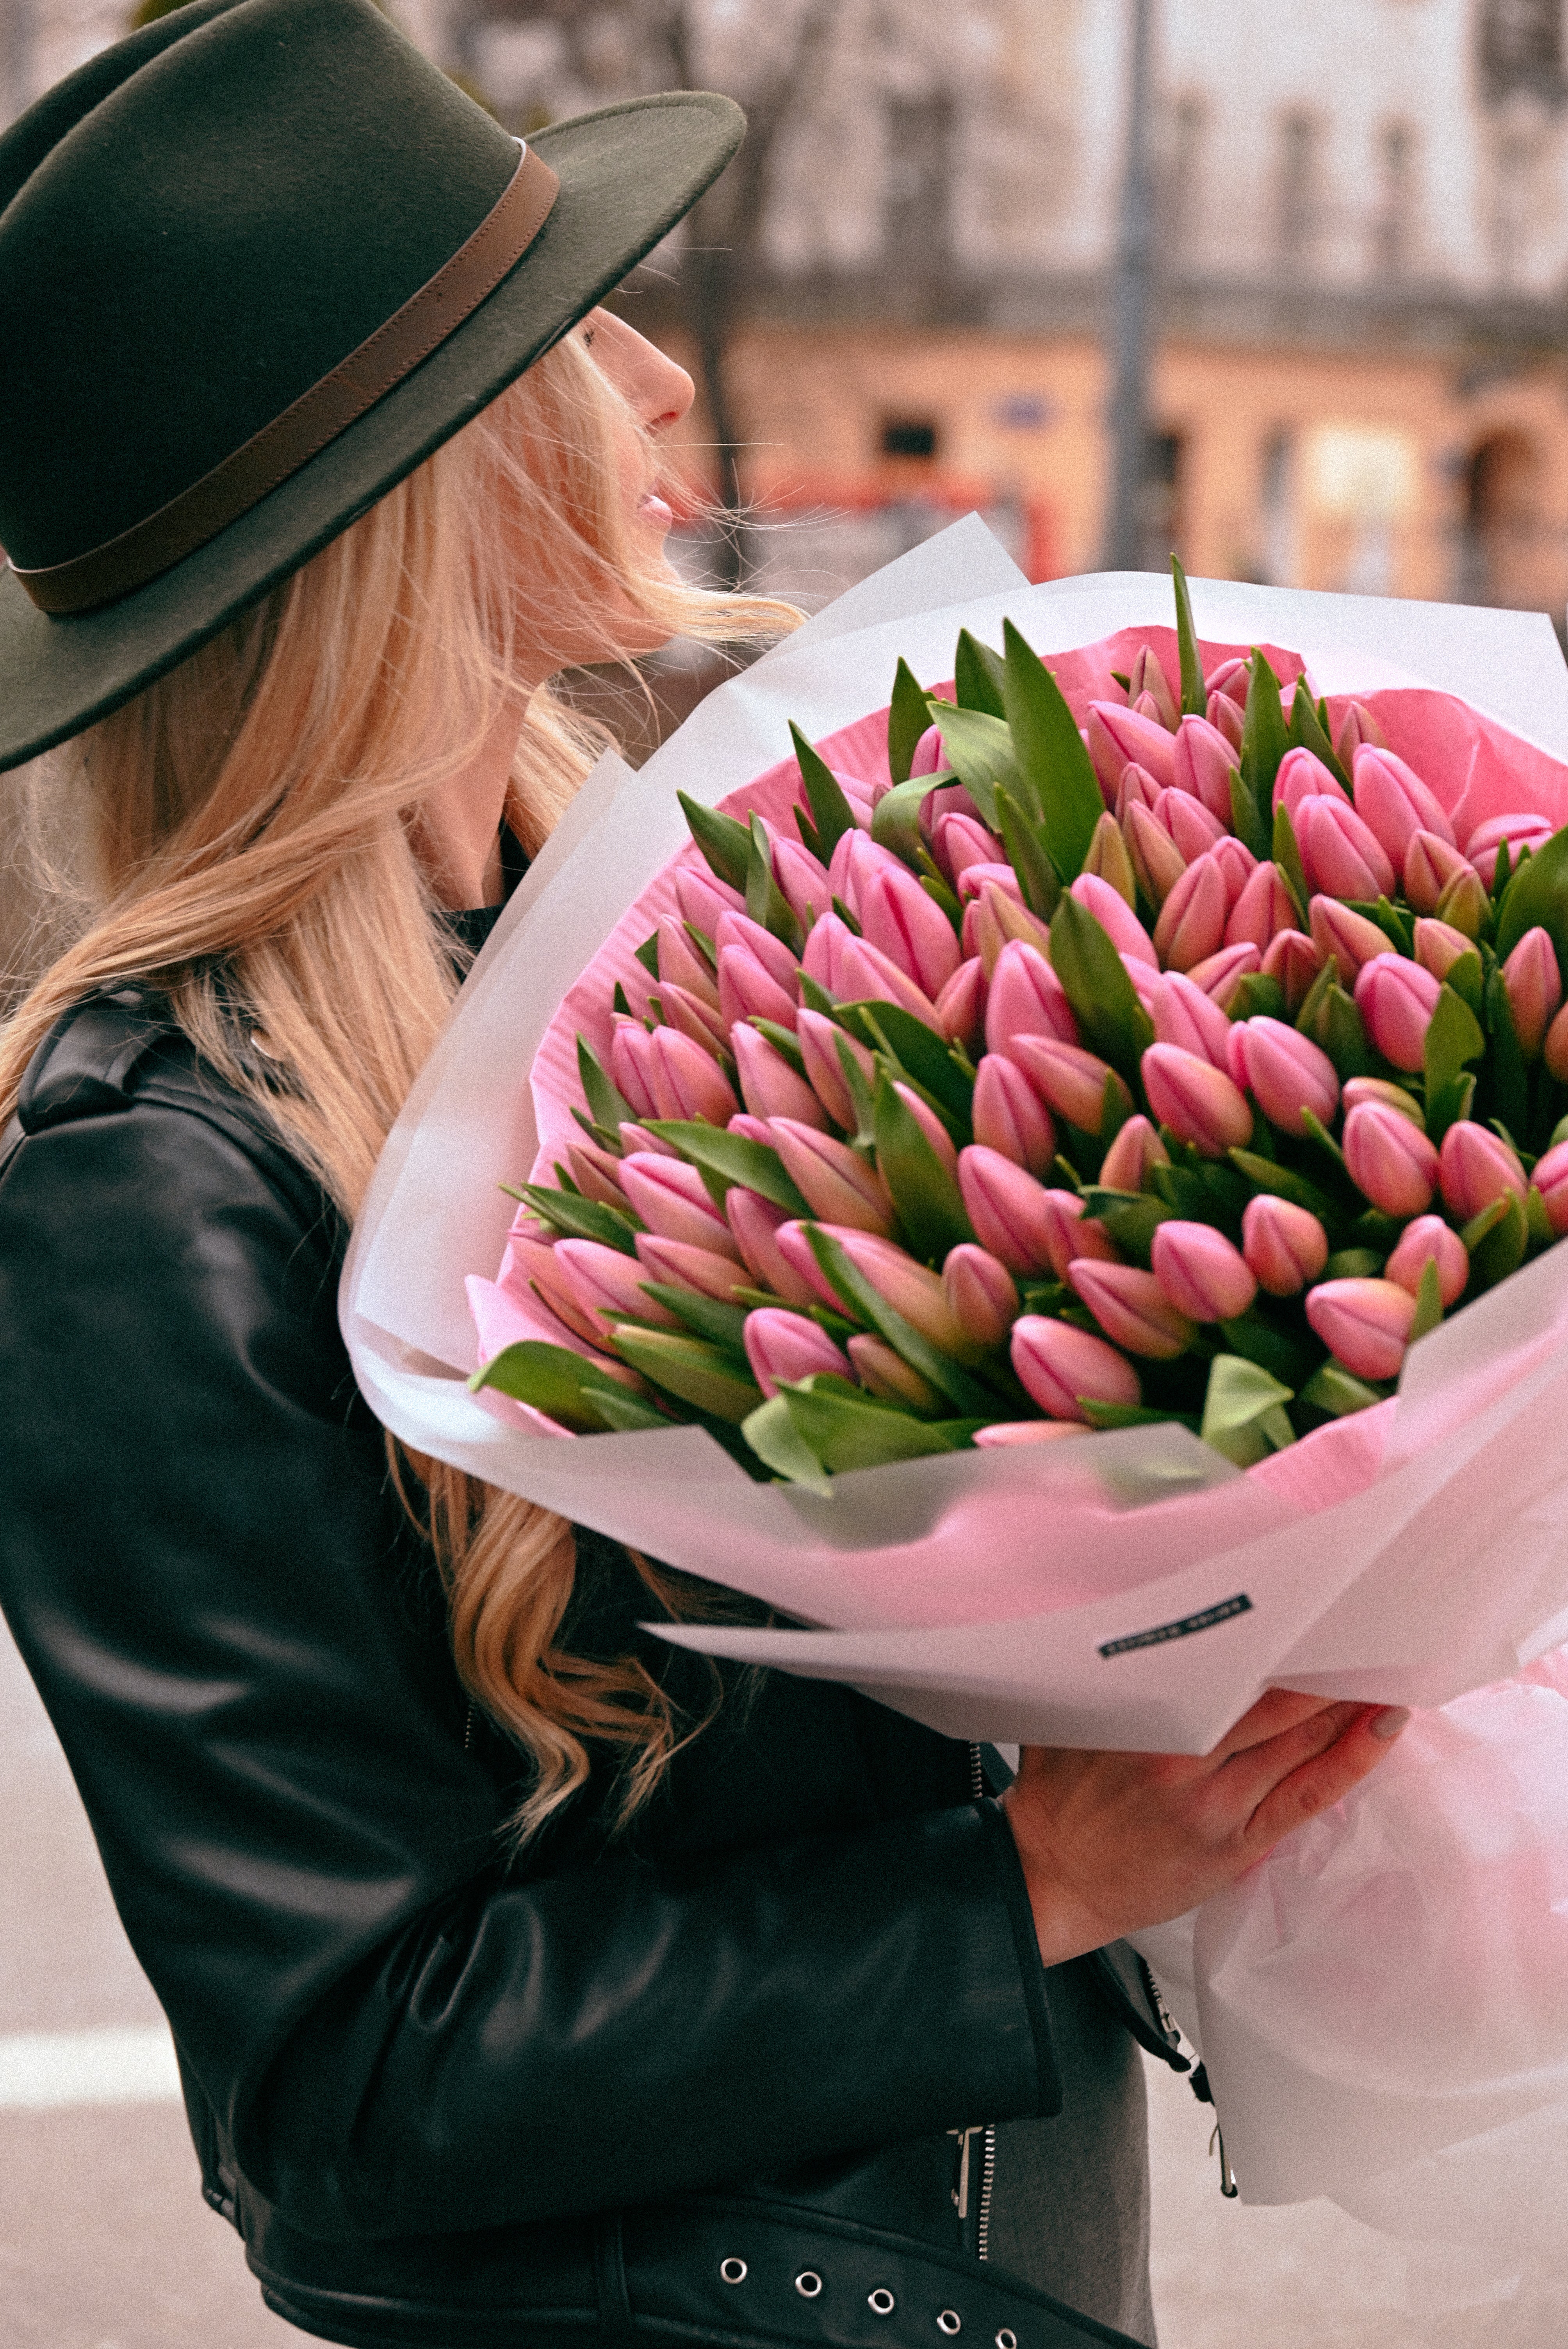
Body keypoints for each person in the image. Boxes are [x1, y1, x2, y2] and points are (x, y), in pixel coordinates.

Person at [0, 5, 1408, 2347]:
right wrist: (1023, 1881)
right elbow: (342, 2086)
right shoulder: (141, 1187)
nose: (658, 380)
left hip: (1009, 2251)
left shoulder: (698, 956)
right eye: (567, 330)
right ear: (414, 481)